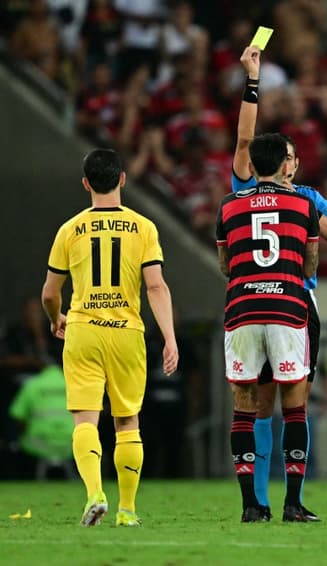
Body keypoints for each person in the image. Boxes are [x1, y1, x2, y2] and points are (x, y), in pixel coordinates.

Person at [230, 45, 327, 522]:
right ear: (280, 162)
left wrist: (302, 206)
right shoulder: (246, 186)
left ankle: (278, 500)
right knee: (267, 404)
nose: (293, 163)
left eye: (296, 158)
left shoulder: (307, 197)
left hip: (293, 303)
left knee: (274, 401)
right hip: (284, 303)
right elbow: (243, 142)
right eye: (289, 158)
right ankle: (263, 500)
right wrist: (253, 81)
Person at [41, 148, 179, 526]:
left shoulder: (69, 229)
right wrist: (169, 337)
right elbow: (156, 287)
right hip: (127, 333)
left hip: (83, 330)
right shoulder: (144, 227)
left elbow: (50, 293)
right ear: (122, 179)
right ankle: (128, 511)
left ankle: (93, 495)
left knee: (85, 419)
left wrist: (56, 320)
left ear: (86, 183)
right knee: (127, 421)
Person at [217, 131, 320, 523]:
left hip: (242, 310)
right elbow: (310, 264)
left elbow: (225, 265)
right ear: (284, 163)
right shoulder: (302, 204)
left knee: (243, 409)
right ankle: (292, 504)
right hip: (288, 309)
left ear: (253, 164)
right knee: (294, 408)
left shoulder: (228, 206)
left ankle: (250, 506)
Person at [8, 362, 75, 479]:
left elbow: (17, 417)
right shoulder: (75, 384)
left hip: (38, 444)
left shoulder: (32, 384)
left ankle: (26, 478)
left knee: (17, 440)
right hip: (71, 445)